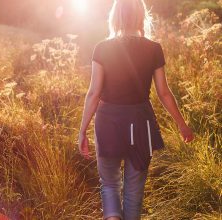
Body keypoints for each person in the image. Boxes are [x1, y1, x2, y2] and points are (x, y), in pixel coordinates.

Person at [77, 0, 195, 219]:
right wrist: (182, 125)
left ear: (115, 16)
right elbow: (164, 93)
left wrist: (82, 130)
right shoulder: (154, 49)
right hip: (141, 123)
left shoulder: (102, 48)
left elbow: (94, 93)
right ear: (141, 16)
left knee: (110, 185)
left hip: (108, 122)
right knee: (134, 192)